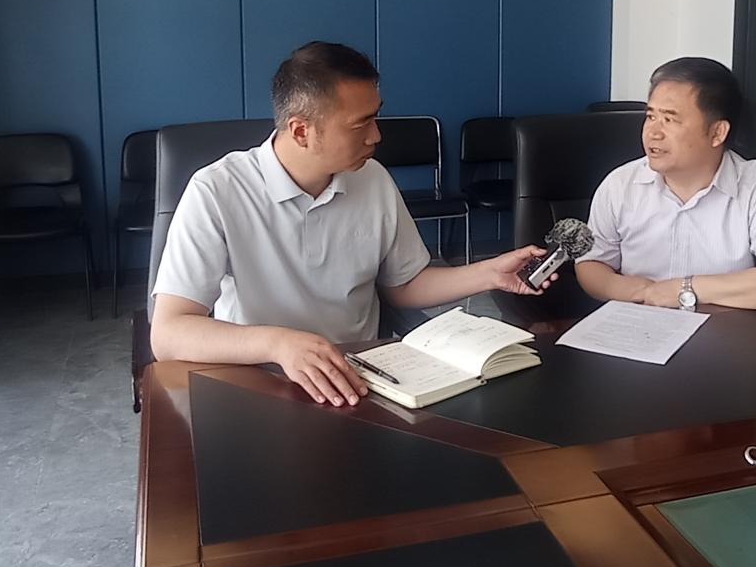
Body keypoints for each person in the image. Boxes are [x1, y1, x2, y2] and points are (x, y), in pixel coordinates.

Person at [150, 41, 553, 407]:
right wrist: (278, 344)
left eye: (376, 118)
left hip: (362, 378)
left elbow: (404, 285)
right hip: (260, 379)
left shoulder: (371, 178)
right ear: (301, 131)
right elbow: (169, 333)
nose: (376, 136)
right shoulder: (216, 190)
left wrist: (490, 273)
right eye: (360, 124)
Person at [575, 57, 756, 311]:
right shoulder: (620, 185)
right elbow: (592, 264)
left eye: (670, 120)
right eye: (651, 116)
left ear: (717, 133)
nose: (653, 132)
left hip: (725, 330)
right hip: (639, 325)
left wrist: (683, 290)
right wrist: (643, 292)